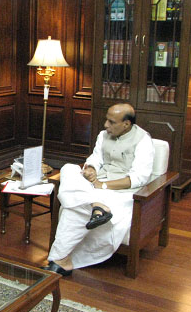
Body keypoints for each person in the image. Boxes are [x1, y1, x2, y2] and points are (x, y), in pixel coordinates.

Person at [43, 103, 155, 276]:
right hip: (95, 186)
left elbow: (139, 177)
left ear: (126, 124)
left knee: (74, 208)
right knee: (68, 168)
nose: (105, 126)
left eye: (111, 122)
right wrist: (91, 169)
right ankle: (96, 205)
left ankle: (60, 259)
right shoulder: (104, 135)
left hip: (120, 192)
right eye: (106, 120)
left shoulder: (143, 141)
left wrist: (102, 185)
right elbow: (95, 158)